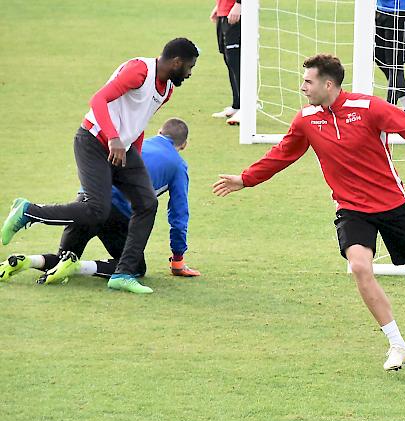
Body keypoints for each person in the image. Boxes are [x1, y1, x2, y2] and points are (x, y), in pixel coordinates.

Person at [213, 54, 405, 370]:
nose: (303, 88)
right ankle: (397, 345)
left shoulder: (369, 108)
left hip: (393, 204)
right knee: (360, 267)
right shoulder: (306, 120)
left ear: (328, 84)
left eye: (308, 82)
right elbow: (282, 154)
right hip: (351, 209)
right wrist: (245, 179)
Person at [0, 38, 199, 294]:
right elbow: (98, 99)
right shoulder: (140, 71)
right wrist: (113, 137)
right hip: (92, 141)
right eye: (190, 66)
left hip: (123, 150)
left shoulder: (167, 89)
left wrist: (133, 162)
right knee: (97, 210)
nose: (190, 73)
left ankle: (123, 274)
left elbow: (138, 123)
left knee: (148, 203)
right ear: (176, 62)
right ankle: (28, 211)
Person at [0, 118, 200, 285]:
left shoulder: (135, 145)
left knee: (63, 257)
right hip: (115, 216)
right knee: (136, 267)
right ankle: (80, 267)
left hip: (86, 202)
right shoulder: (178, 166)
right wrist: (177, 259)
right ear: (184, 145)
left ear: (158, 132)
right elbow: (178, 215)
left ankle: (28, 261)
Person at [210, 0, 242, 126]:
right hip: (224, 12)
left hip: (237, 12)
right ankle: (237, 105)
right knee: (229, 61)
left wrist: (239, 4)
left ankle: (246, 108)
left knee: (237, 61)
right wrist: (218, 6)